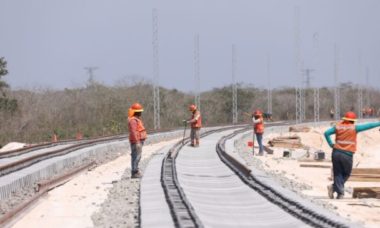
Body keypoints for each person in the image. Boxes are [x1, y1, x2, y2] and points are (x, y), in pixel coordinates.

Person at [324, 111, 380, 199]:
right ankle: (338, 191)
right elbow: (369, 126)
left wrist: (331, 144)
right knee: (347, 173)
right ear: (352, 120)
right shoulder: (354, 128)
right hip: (347, 154)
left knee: (338, 173)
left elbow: (326, 133)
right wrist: (378, 123)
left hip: (336, 153)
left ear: (345, 119)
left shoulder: (338, 127)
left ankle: (337, 190)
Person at [128, 103, 147, 178]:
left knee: (137, 156)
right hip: (137, 141)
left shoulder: (136, 120)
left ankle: (135, 171)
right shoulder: (133, 121)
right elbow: (134, 131)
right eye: (140, 111)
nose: (141, 113)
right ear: (137, 112)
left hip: (138, 141)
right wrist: (137, 142)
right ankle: (134, 172)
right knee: (136, 156)